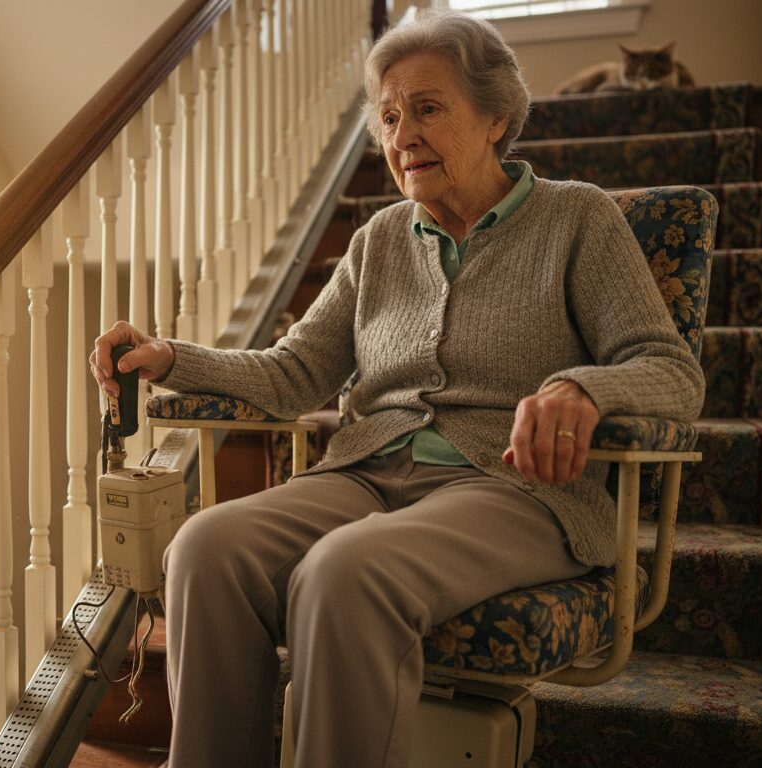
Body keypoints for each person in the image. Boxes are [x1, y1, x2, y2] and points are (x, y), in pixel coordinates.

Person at [90, 9, 703, 768]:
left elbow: (671, 371)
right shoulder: (378, 240)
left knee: (344, 572)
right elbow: (293, 374)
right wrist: (169, 357)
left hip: (515, 488)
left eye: (428, 108)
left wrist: (583, 389)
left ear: (495, 117)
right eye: (387, 116)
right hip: (366, 471)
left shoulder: (578, 218)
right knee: (205, 548)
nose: (401, 133)